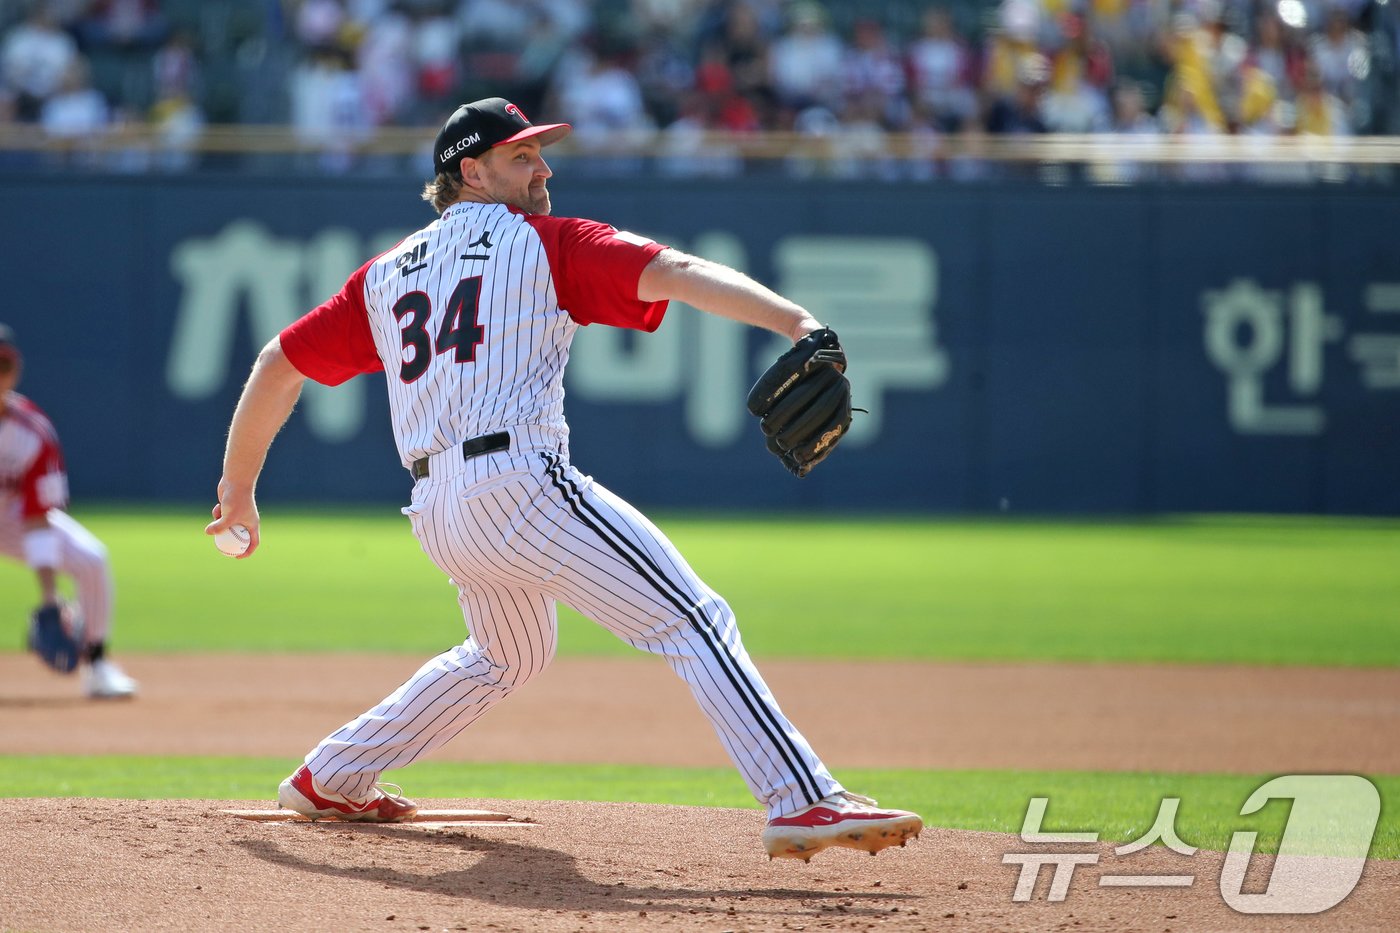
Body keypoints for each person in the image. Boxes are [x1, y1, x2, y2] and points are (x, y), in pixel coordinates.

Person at [205, 97, 922, 861]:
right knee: (692, 616)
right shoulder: (545, 244)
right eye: (521, 157)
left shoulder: (383, 275)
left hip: (438, 509)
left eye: (540, 153)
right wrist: (796, 323)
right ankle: (803, 798)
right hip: (519, 484)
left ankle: (336, 773)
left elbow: (278, 365)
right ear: (469, 172)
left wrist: (238, 489)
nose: (542, 168)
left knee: (510, 652)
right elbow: (672, 273)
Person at [0, 324, 137, 699]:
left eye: (4, 365)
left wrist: (49, 598)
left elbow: (36, 517)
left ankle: (97, 665)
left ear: (16, 370)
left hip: (8, 517)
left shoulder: (32, 432)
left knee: (91, 558)